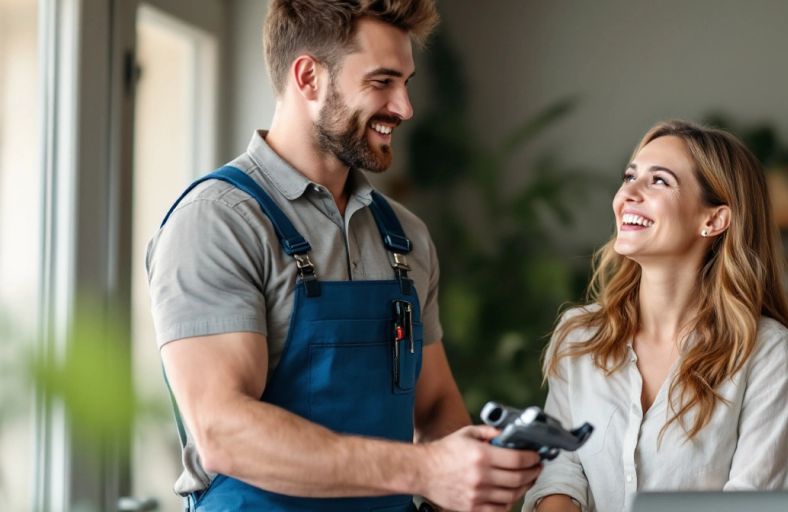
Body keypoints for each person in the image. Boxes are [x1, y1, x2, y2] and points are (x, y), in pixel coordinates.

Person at [147, 1, 540, 510]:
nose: (405, 107)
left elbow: (437, 404)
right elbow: (224, 431)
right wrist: (425, 470)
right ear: (309, 77)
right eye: (382, 82)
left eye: (407, 82)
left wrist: (481, 478)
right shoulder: (217, 222)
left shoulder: (407, 237)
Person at [523, 120, 788, 511]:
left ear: (713, 220)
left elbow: (754, 504)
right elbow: (558, 470)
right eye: (630, 176)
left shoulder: (767, 353)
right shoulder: (579, 336)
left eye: (659, 181)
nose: (628, 193)